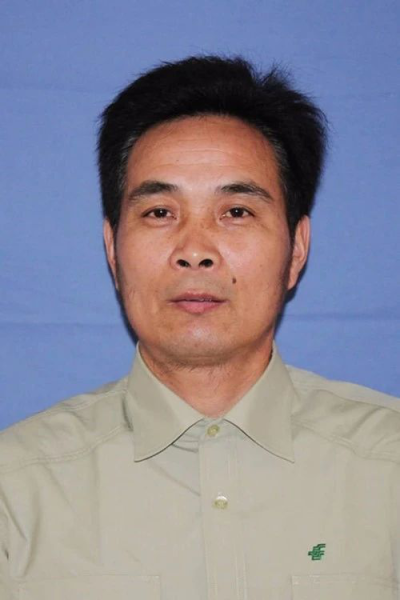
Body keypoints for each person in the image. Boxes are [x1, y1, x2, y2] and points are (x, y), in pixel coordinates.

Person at [0, 55, 399, 600]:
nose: (194, 251)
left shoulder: (388, 465)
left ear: (296, 250)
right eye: (160, 212)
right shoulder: (16, 487)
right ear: (113, 250)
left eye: (236, 212)